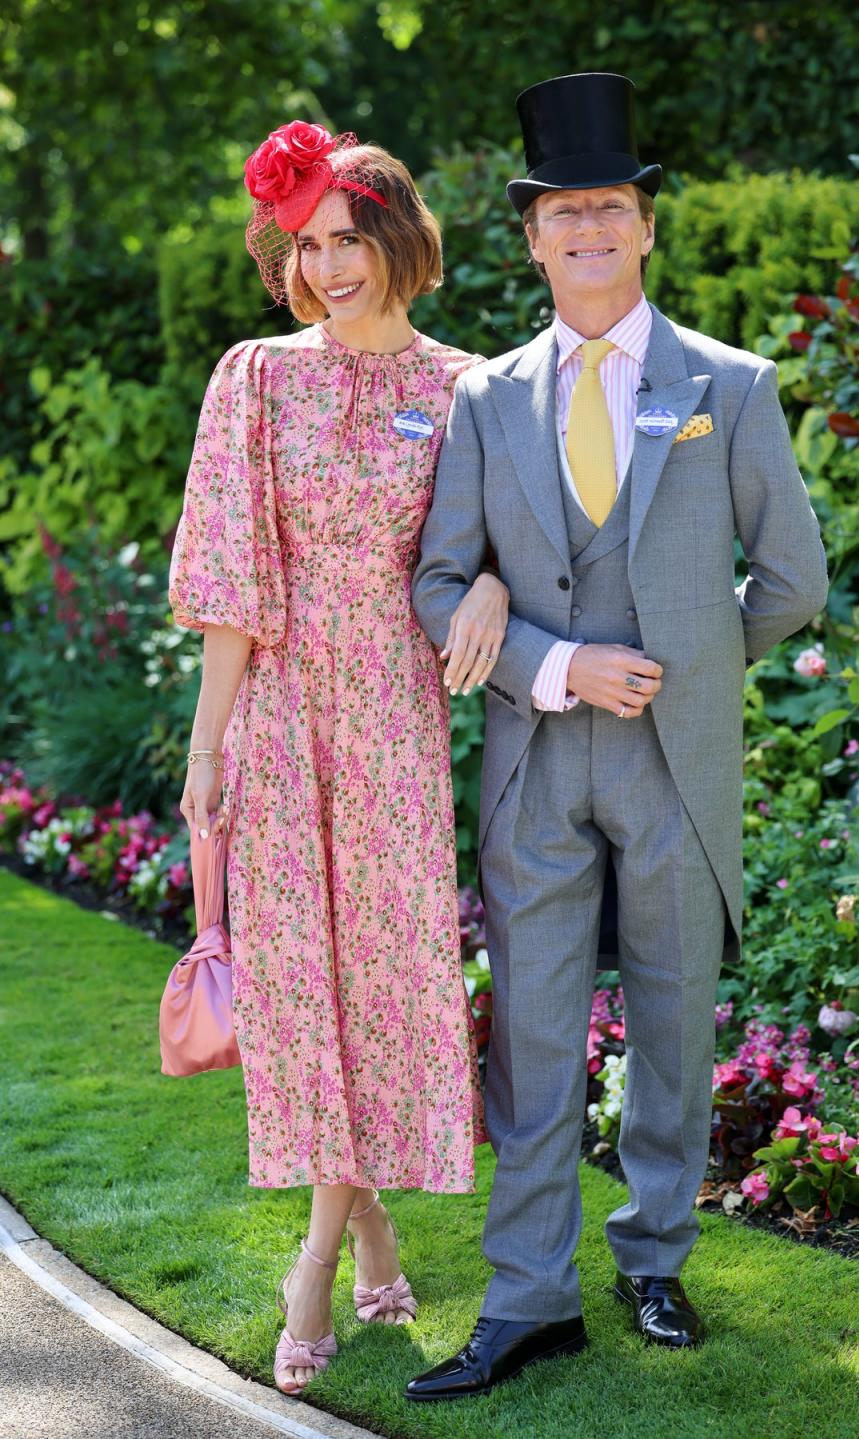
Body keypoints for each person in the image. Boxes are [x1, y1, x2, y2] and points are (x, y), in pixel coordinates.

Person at [408, 72, 829, 1400]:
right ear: (532, 237)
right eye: (563, 212)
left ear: (645, 225)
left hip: (671, 768)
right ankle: (530, 1295)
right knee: (531, 1040)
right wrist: (552, 663)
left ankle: (654, 1256)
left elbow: (795, 581)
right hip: (536, 765)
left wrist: (691, 671)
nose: (589, 230)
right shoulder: (485, 401)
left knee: (670, 1027)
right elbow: (436, 581)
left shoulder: (730, 386)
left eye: (611, 207)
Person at [168, 121, 507, 1396]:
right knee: (305, 990)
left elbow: (509, 548)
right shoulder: (254, 378)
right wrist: (210, 745)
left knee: (384, 982)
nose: (328, 268)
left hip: (397, 728)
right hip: (279, 714)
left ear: (398, 241)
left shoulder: (472, 388)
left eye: (348, 240)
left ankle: (333, 1247)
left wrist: (481, 589)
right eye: (307, 247)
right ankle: (347, 1238)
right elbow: (229, 577)